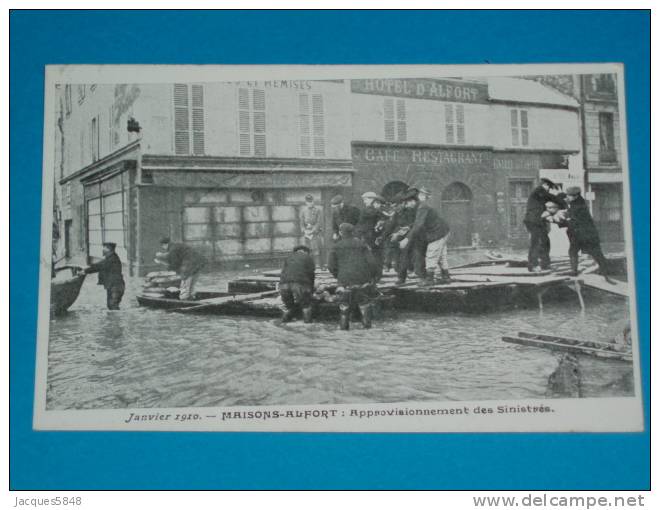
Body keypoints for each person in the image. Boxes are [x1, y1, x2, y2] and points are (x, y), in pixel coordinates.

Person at [327, 223, 380, 330]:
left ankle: (344, 331)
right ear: (352, 232)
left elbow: (331, 266)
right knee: (364, 304)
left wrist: (339, 276)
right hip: (362, 279)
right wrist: (373, 277)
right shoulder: (362, 245)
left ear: (341, 233)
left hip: (344, 280)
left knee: (344, 306)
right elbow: (372, 263)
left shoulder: (336, 246)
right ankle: (368, 330)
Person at [399, 187, 451, 286]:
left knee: (431, 253)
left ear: (412, 201)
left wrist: (407, 238)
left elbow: (418, 225)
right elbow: (417, 223)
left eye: (407, 203)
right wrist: (408, 228)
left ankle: (430, 279)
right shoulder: (420, 207)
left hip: (438, 233)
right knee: (441, 256)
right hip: (442, 231)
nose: (406, 206)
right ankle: (446, 277)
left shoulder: (422, 207)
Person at [562, 186, 611, 279]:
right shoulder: (577, 202)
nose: (567, 197)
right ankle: (575, 271)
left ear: (575, 196)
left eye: (569, 196)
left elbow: (574, 220)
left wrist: (563, 219)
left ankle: (605, 269)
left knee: (594, 252)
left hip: (585, 234)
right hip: (580, 234)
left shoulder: (578, 206)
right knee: (575, 251)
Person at [523, 178, 566, 272]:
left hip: (538, 221)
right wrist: (563, 200)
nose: (549, 190)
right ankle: (532, 265)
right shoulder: (539, 191)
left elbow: (551, 199)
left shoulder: (540, 195)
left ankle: (545, 264)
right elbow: (551, 197)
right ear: (545, 185)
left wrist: (560, 199)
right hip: (533, 221)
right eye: (549, 188)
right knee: (536, 242)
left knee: (545, 241)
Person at [279, 245, 316, 323]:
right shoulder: (308, 258)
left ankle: (283, 323)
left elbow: (283, 272)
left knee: (288, 307)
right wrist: (311, 289)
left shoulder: (288, 257)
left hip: (283, 284)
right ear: (306, 251)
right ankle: (308, 325)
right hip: (300, 283)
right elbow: (311, 274)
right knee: (306, 305)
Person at [84, 242, 125, 310]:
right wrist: (86, 269)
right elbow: (99, 264)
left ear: (109, 249)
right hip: (112, 286)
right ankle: (113, 320)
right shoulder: (110, 258)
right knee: (111, 306)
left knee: (113, 306)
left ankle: (116, 320)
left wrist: (85, 271)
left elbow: (99, 266)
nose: (103, 249)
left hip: (116, 286)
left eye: (104, 248)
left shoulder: (112, 259)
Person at [356, 191, 387, 280]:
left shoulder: (370, 210)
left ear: (372, 200)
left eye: (365, 199)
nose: (364, 201)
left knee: (374, 256)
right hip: (370, 237)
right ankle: (376, 275)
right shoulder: (376, 211)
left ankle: (375, 276)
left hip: (372, 237)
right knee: (376, 256)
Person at [300, 194, 324, 266]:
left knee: (316, 250)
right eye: (308, 202)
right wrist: (304, 230)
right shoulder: (303, 211)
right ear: (306, 202)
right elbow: (301, 223)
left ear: (313, 202)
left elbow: (319, 222)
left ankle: (318, 265)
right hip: (306, 234)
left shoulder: (318, 210)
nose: (309, 203)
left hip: (315, 233)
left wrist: (313, 231)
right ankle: (308, 266)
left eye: (311, 201)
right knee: (306, 250)